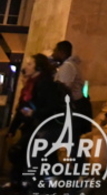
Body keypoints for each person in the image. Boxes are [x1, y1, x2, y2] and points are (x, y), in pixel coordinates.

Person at [5, 54, 62, 194]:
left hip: (44, 127)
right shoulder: (30, 84)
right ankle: (23, 183)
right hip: (33, 126)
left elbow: (51, 107)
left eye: (30, 64)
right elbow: (21, 108)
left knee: (34, 158)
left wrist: (33, 114)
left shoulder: (45, 84)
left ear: (38, 67)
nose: (26, 67)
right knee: (34, 157)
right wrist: (12, 128)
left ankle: (39, 187)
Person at [50, 40, 87, 116]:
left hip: (74, 107)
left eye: (55, 51)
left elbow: (63, 88)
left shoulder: (67, 66)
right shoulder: (69, 65)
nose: (52, 54)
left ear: (62, 53)